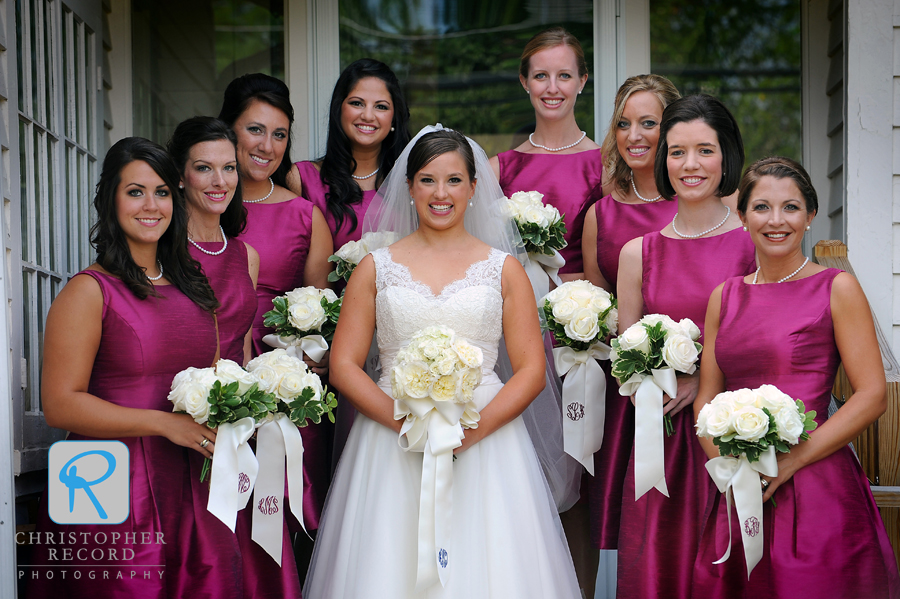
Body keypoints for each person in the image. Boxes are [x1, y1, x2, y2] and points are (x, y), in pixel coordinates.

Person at [302, 126, 581, 598]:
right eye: (427, 179)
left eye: (454, 180)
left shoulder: (504, 268)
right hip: (391, 438)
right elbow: (345, 365)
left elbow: (532, 369)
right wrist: (405, 422)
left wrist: (470, 432)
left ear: (474, 188)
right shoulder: (376, 266)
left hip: (487, 438)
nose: (441, 193)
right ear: (409, 187)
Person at [27, 137, 242, 598]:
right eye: (135, 192)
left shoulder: (193, 289)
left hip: (191, 479)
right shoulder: (89, 291)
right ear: (111, 200)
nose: (151, 205)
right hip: (103, 480)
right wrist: (165, 425)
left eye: (162, 192)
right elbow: (60, 406)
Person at [691, 157, 900, 598]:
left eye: (790, 207)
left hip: (817, 482)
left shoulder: (835, 288)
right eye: (762, 207)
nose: (776, 220)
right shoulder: (723, 298)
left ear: (809, 216)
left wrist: (788, 463)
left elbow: (872, 395)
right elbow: (705, 400)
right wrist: (734, 470)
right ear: (744, 216)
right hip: (742, 485)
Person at [614, 94, 756, 599]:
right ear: (662, 159)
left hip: (738, 430)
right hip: (666, 439)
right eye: (676, 152)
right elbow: (625, 360)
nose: (690, 165)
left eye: (705, 151)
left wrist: (704, 382)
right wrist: (657, 380)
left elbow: (769, 335)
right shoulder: (638, 253)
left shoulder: (756, 240)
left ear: (727, 157)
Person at [168, 116, 304, 597]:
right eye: (204, 168)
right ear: (180, 175)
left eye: (228, 168)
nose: (220, 181)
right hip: (178, 424)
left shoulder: (245, 254)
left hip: (235, 433)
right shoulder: (159, 255)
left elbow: (243, 349)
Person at [219, 73, 334, 556]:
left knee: (285, 511)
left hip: (280, 374)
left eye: (280, 134)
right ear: (229, 131)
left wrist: (296, 369)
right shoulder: (196, 205)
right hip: (210, 360)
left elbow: (319, 313)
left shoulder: (305, 215)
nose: (267, 146)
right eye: (255, 130)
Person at [581, 74, 681, 557]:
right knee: (632, 526)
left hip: (698, 380)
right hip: (625, 391)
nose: (634, 135)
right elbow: (600, 304)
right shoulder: (600, 214)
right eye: (624, 124)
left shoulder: (713, 206)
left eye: (649, 123)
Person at [490, 27, 602, 282]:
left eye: (564, 75)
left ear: (582, 81)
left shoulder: (606, 165)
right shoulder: (497, 169)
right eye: (541, 76)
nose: (552, 88)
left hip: (584, 312)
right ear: (524, 82)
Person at [289, 57, 411, 255]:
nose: (368, 116)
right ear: (339, 109)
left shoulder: (412, 181)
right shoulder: (301, 179)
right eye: (357, 103)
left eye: (381, 106)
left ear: (394, 117)